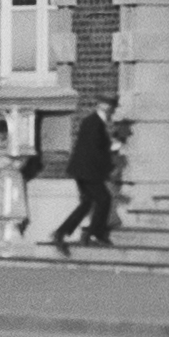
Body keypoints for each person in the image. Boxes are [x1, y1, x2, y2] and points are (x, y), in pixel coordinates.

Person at [48, 105, 117, 254]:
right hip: (88, 171)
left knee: (87, 203)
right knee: (104, 199)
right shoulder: (96, 123)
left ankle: (61, 233)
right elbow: (95, 150)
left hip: (82, 170)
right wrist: (109, 167)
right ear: (108, 109)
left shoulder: (91, 121)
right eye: (113, 109)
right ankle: (94, 234)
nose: (113, 114)